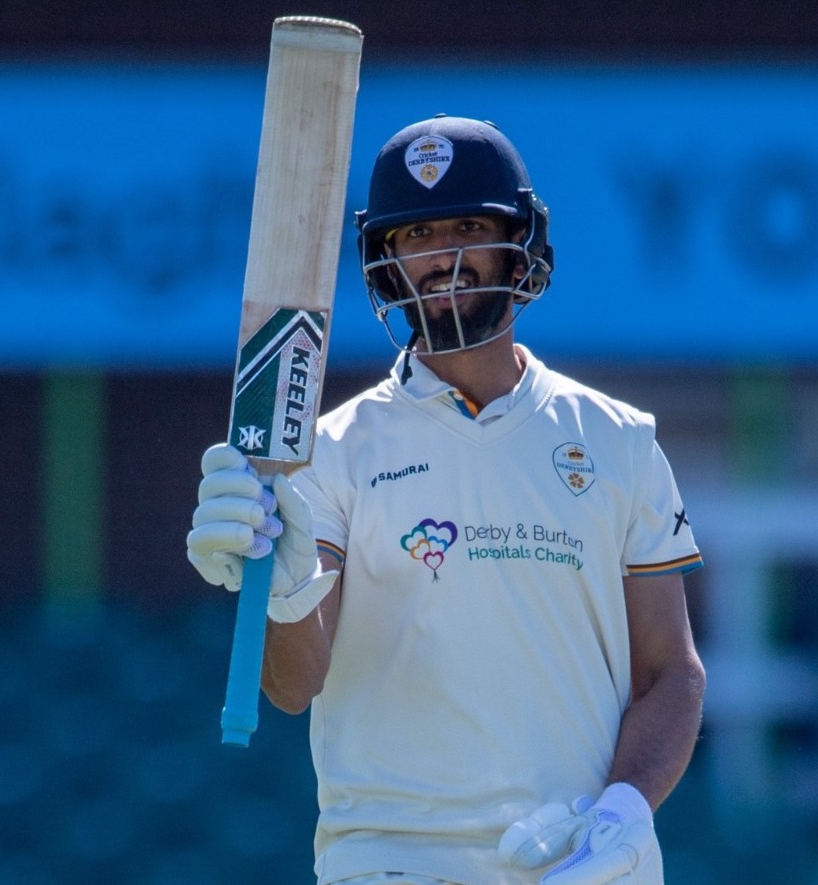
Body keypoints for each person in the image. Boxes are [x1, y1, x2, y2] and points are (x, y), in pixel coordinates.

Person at [188, 114, 706, 885]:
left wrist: (624, 810)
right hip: (394, 859)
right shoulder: (330, 452)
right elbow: (293, 686)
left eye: (468, 225)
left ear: (518, 241)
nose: (444, 257)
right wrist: (284, 587)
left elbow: (672, 673)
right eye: (416, 235)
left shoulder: (617, 440)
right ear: (387, 260)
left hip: (576, 857)